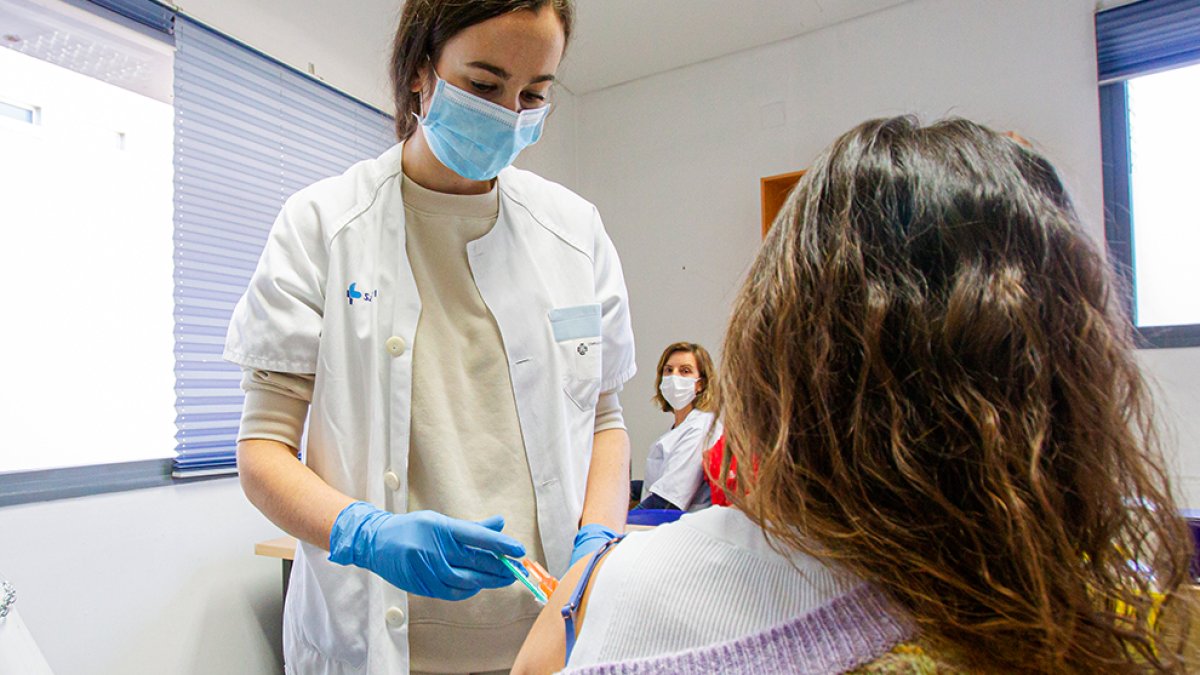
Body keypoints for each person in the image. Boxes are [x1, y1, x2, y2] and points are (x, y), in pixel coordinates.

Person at [511, 116, 1194, 673]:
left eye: (688, 367)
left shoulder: (651, 592)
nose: (679, 377)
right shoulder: (1111, 590)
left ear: (781, 342)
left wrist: (599, 568)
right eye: (674, 368)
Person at [224, 1, 637, 672]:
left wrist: (596, 541)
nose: (509, 112)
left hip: (549, 640)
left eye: (533, 94)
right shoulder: (323, 225)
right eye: (483, 84)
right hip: (374, 644)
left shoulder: (575, 231)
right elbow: (263, 452)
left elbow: (607, 418)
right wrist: (365, 533)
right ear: (421, 72)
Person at [633, 342, 722, 511]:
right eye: (668, 370)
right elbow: (663, 481)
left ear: (700, 384)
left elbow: (668, 501)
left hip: (686, 527)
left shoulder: (700, 428)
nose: (674, 377)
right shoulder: (682, 427)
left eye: (685, 371)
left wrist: (621, 524)